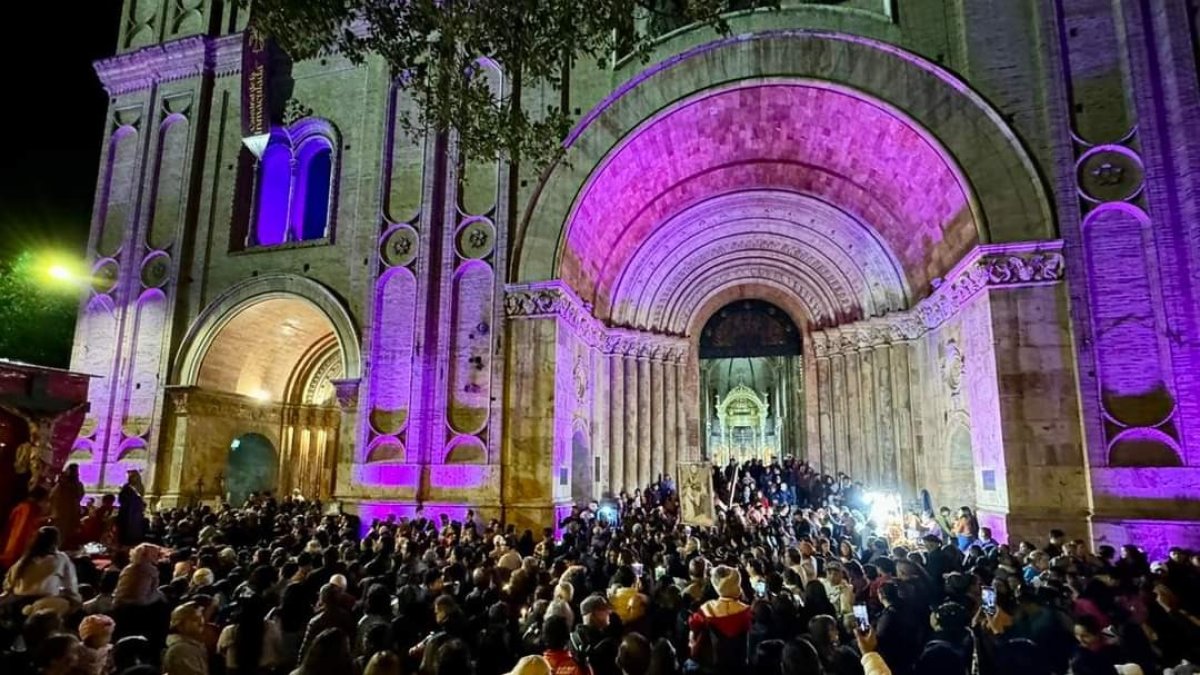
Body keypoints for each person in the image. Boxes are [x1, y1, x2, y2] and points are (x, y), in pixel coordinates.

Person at [2, 526, 79, 603]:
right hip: (44, 601)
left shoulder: (24, 560)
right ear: (56, 542)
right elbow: (71, 586)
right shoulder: (61, 558)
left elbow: (8, 585)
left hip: (18, 601)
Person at [0, 486, 50, 568]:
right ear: (41, 500)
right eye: (47, 501)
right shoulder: (28, 511)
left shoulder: (24, 509)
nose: (48, 505)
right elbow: (20, 535)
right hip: (11, 559)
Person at [163, 602, 210, 675]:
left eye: (201, 617)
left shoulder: (193, 645)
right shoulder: (181, 649)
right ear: (180, 625)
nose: (201, 622)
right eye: (194, 619)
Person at [49, 464, 85, 550]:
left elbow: (79, 495)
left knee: (69, 533)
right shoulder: (62, 485)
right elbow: (53, 496)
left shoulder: (76, 485)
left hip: (71, 513)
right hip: (62, 513)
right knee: (60, 532)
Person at [116, 470, 147, 547]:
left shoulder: (139, 487)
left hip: (135, 514)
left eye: (134, 476)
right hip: (127, 514)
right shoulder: (126, 488)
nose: (133, 478)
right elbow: (122, 499)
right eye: (131, 477)